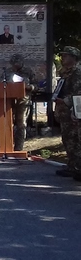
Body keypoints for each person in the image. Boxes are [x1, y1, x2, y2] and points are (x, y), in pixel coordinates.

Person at [53, 46, 81, 180]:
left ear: (74, 57)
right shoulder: (65, 72)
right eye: (62, 55)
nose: (63, 58)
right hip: (64, 110)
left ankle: (77, 167)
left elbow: (78, 93)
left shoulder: (78, 72)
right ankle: (72, 166)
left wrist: (66, 101)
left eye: (66, 56)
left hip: (73, 110)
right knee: (67, 139)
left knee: (75, 140)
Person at [6, 53, 36, 153]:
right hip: (9, 101)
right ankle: (7, 145)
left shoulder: (28, 71)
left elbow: (36, 85)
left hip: (23, 101)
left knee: (21, 124)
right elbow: (1, 82)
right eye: (13, 64)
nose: (15, 66)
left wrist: (29, 87)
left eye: (17, 63)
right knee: (8, 123)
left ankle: (18, 148)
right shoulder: (8, 71)